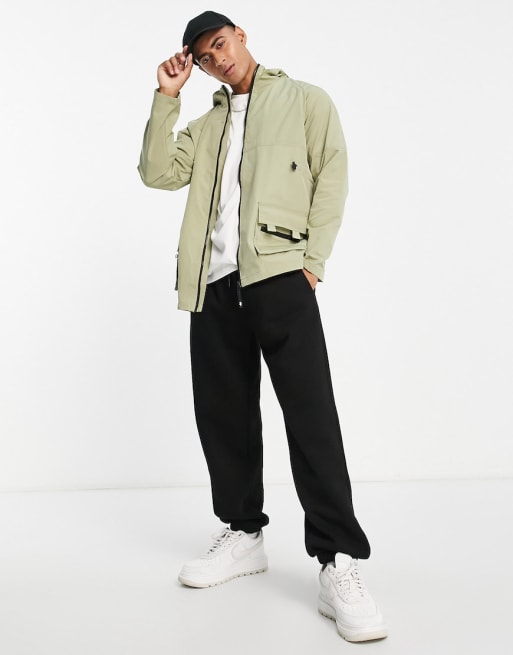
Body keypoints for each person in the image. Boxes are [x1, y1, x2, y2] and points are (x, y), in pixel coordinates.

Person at [138, 10, 387, 643]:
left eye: (220, 44)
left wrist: (312, 262)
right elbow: (157, 172)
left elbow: (332, 175)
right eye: (203, 56)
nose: (216, 58)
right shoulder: (206, 124)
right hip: (212, 285)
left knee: (311, 416)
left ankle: (338, 559)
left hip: (279, 276)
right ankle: (243, 533)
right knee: (223, 415)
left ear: (241, 36)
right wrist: (166, 99)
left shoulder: (304, 100)